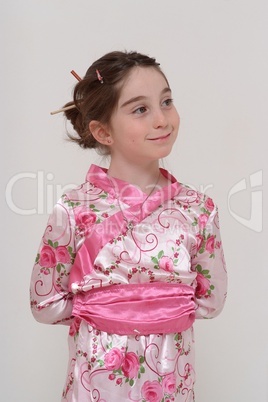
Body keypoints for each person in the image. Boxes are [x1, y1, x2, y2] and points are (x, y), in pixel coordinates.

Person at [30, 50, 227, 402]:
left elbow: (211, 301)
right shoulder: (75, 208)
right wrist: (104, 313)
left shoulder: (198, 209)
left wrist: (152, 308)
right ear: (103, 131)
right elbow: (44, 302)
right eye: (141, 109)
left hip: (172, 379)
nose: (162, 120)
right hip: (97, 380)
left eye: (166, 102)